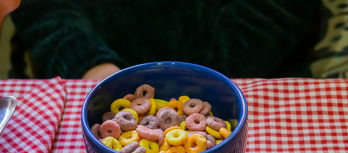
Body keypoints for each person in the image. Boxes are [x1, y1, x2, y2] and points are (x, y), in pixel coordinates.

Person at [10, 0, 322, 80]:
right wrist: (92, 66)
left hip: (249, 80)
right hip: (96, 82)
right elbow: (44, 9)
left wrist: (201, 87)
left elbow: (277, 11)